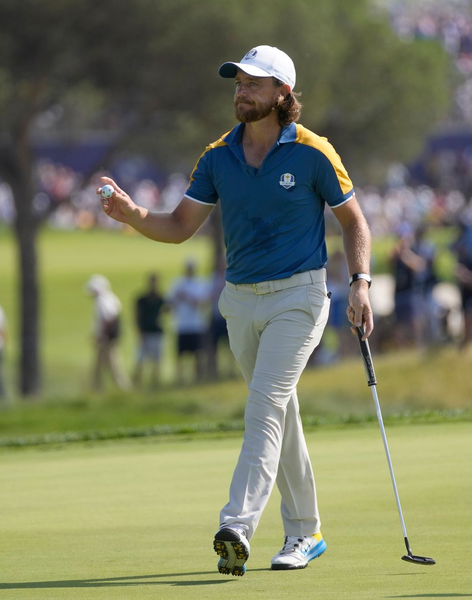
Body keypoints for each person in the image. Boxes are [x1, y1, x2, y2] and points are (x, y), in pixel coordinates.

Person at [97, 45, 373, 576]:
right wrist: (132, 214)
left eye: (253, 83)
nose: (241, 91)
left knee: (264, 406)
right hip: (240, 301)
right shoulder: (217, 156)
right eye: (239, 82)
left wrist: (360, 282)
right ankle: (306, 533)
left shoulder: (315, 152)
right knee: (280, 414)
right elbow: (179, 226)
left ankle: (236, 527)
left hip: (301, 296)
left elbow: (355, 223)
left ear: (282, 95)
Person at [167, 259, 209, 384]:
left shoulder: (200, 283)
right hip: (181, 324)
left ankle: (198, 379)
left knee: (198, 355)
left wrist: (186, 297)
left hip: (197, 325)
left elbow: (203, 303)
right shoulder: (177, 283)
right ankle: (180, 379)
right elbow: (170, 304)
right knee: (180, 355)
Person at [86, 274, 130, 392]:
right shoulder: (110, 298)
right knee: (99, 365)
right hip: (108, 338)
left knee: (113, 366)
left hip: (107, 339)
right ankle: (96, 387)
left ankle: (122, 388)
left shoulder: (103, 300)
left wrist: (101, 337)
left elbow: (108, 319)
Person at [133, 273, 166, 388]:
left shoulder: (160, 298)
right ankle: (137, 383)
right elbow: (137, 316)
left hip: (156, 332)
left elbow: (167, 310)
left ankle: (155, 383)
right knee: (140, 360)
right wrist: (139, 332)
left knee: (157, 360)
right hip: (145, 333)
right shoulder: (142, 299)